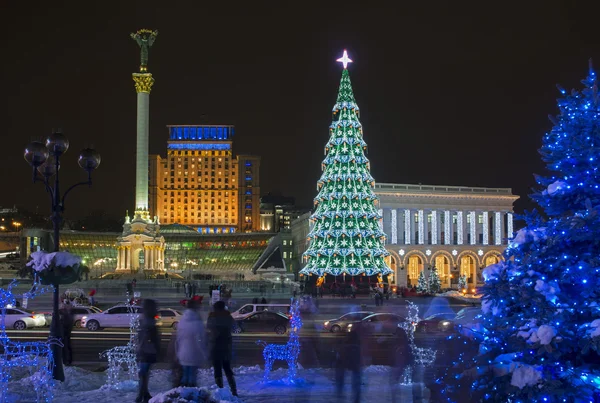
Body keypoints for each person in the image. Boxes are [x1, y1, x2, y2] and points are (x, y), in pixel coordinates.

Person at [207, 301, 237, 396]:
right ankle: (234, 391)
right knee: (227, 369)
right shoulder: (228, 317)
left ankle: (220, 390)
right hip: (226, 346)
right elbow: (234, 327)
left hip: (215, 346)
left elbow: (208, 327)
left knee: (217, 369)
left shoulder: (212, 317)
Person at [176, 298, 206, 387]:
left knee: (185, 375)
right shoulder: (198, 322)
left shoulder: (182, 321)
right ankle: (191, 395)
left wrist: (177, 353)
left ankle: (183, 394)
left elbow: (178, 339)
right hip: (194, 354)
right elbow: (200, 341)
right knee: (192, 376)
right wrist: (204, 354)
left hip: (183, 353)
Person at [136, 299, 161, 403]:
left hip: (143, 351)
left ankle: (143, 395)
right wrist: (158, 349)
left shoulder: (145, 320)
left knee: (144, 374)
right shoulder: (150, 321)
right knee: (144, 375)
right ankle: (142, 396)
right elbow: (152, 339)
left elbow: (141, 338)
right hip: (147, 351)